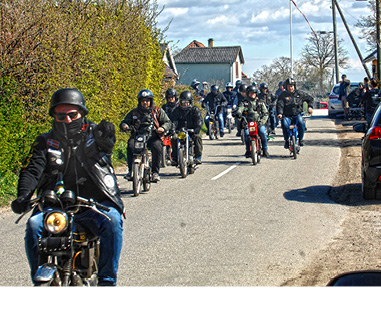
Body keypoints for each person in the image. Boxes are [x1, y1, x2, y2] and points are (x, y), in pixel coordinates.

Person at [11, 88, 124, 286]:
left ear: (82, 113)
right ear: (54, 116)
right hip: (55, 206)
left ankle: (107, 281)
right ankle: (39, 282)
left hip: (93, 204)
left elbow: (106, 147)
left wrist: (107, 138)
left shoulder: (94, 135)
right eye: (61, 116)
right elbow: (31, 170)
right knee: (34, 225)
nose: (68, 120)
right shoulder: (44, 142)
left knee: (113, 221)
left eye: (73, 115)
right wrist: (23, 196)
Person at [120, 89, 171, 182]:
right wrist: (125, 125)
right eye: (143, 100)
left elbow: (167, 122)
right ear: (139, 101)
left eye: (147, 100)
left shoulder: (157, 111)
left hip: (153, 136)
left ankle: (155, 172)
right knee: (130, 145)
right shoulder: (134, 112)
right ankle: (131, 171)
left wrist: (162, 128)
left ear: (150, 101)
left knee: (157, 147)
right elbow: (125, 121)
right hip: (138, 136)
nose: (145, 103)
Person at [276, 78, 313, 148]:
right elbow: (279, 105)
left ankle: (301, 139)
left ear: (294, 86)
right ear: (286, 86)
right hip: (286, 116)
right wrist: (280, 113)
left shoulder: (299, 93)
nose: (291, 88)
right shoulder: (282, 95)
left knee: (301, 123)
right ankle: (286, 140)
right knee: (284, 125)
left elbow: (310, 99)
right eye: (289, 86)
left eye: (292, 86)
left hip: (297, 114)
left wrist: (310, 107)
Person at [170, 91, 203, 165]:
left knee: (197, 137)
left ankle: (198, 156)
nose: (185, 104)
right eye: (183, 102)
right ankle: (175, 157)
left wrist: (197, 128)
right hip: (180, 132)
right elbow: (173, 121)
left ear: (190, 102)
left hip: (192, 131)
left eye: (187, 102)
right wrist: (173, 129)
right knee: (174, 138)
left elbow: (199, 120)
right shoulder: (176, 110)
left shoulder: (195, 110)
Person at [236, 85, 269, 158]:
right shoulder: (244, 102)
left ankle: (265, 149)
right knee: (247, 134)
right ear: (248, 93)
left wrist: (261, 122)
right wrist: (238, 112)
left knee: (263, 132)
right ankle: (248, 150)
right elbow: (240, 108)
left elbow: (265, 113)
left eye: (254, 93)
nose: (252, 95)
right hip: (248, 123)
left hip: (258, 122)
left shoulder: (260, 102)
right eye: (250, 93)